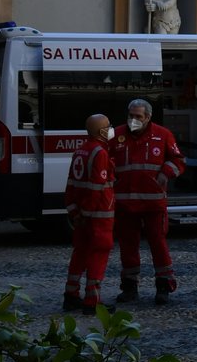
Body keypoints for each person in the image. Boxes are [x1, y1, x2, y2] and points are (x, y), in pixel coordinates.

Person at [112, 97, 186, 304]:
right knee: (127, 247)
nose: (133, 120)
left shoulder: (163, 135)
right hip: (125, 204)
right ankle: (129, 287)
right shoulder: (115, 134)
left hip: (153, 204)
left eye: (138, 116)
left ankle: (163, 286)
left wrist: (166, 173)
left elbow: (178, 160)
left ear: (148, 117)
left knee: (158, 244)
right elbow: (103, 157)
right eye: (130, 116)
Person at [63, 114, 117, 314]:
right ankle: (92, 301)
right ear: (101, 131)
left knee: (80, 252)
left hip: (82, 213)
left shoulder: (80, 150)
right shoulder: (99, 152)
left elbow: (71, 183)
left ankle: (71, 295)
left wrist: (74, 211)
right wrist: (86, 212)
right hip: (98, 214)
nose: (111, 129)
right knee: (98, 253)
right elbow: (96, 187)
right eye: (108, 127)